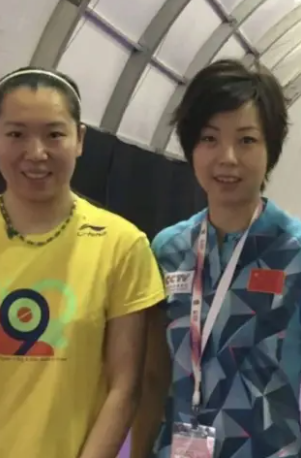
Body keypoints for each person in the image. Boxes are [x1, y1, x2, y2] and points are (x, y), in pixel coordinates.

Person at [134, 59, 301, 458]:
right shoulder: (168, 248)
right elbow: (153, 377)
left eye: (247, 140)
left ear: (271, 148)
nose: (228, 157)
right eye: (209, 138)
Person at [0, 67, 165, 457]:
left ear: (80, 140)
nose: (36, 153)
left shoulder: (121, 244)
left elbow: (125, 386)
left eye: (54, 134)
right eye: (16, 134)